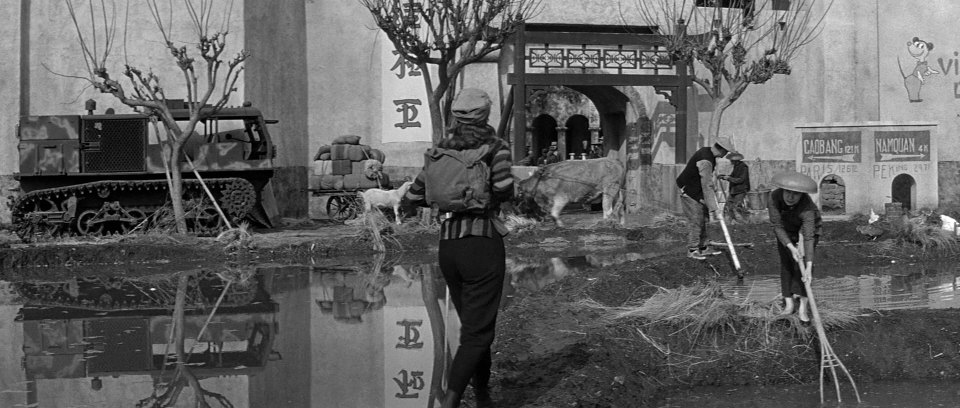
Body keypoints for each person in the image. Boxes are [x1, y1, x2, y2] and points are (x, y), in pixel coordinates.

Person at [401, 88, 513, 408]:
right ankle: (451, 399)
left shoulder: (440, 151)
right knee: (478, 333)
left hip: (448, 246)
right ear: (485, 115)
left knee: (474, 325)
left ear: (456, 116)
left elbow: (414, 196)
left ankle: (482, 391)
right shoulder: (496, 148)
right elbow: (504, 189)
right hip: (482, 245)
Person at [768, 171, 822, 323]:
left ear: (802, 195)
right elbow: (777, 225)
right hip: (785, 230)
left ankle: (803, 307)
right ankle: (789, 304)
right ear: (783, 190)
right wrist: (791, 248)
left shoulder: (807, 208)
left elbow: (809, 237)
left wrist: (809, 267)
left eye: (796, 194)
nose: (790, 197)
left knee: (802, 267)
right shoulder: (773, 198)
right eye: (788, 192)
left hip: (807, 232)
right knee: (786, 263)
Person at [675, 137, 736, 260]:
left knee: (704, 217)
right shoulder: (705, 160)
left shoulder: (708, 153)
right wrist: (715, 208)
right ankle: (693, 250)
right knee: (696, 219)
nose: (726, 155)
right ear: (721, 150)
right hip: (689, 190)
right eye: (726, 152)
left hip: (698, 190)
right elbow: (706, 184)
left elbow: (707, 184)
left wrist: (710, 205)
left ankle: (703, 247)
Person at [719, 152, 750, 222]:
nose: (730, 161)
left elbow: (741, 180)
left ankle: (742, 221)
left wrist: (728, 178)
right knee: (728, 206)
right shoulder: (736, 167)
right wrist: (723, 176)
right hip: (733, 190)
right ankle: (729, 221)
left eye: (731, 160)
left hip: (740, 190)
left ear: (735, 161)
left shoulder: (744, 167)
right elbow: (732, 176)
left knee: (737, 207)